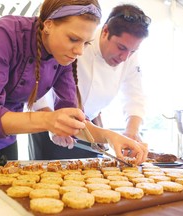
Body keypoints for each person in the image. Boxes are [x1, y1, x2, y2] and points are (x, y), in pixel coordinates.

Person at [0, 0, 148, 166]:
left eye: (85, 42)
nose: (80, 51)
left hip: (7, 128)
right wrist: (48, 120)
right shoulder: (4, 34)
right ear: (48, 25)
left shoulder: (64, 55)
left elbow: (72, 116)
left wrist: (110, 137)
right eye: (74, 39)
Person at [28, 4, 150, 160]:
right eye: (121, 47)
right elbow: (42, 81)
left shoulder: (129, 56)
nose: (125, 57)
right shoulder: (80, 41)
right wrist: (50, 119)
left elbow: (135, 96)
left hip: (88, 127)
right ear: (105, 31)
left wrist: (131, 131)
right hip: (50, 122)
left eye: (132, 51)